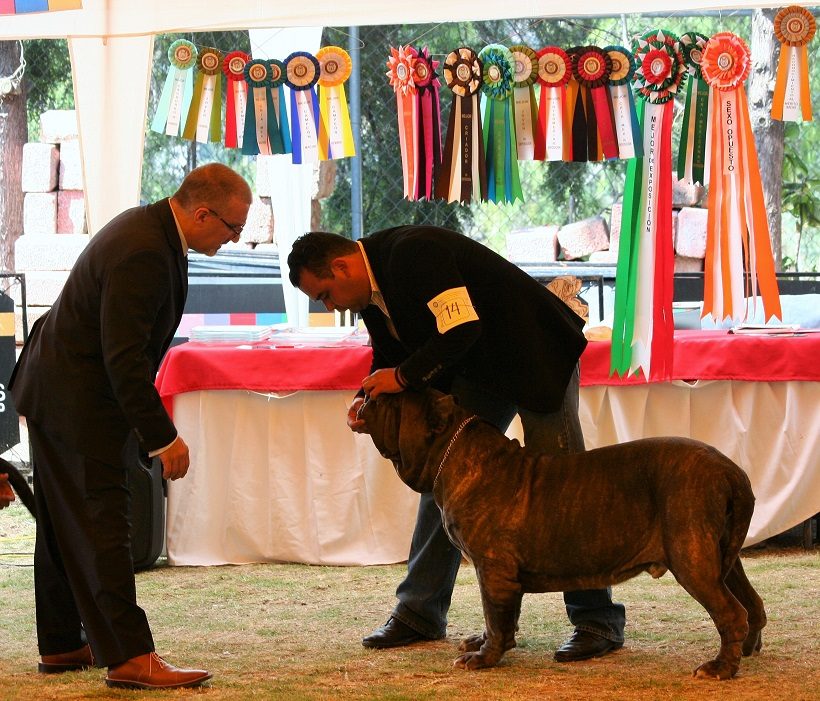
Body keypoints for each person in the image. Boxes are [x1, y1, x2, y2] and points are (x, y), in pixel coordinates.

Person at [287, 226, 626, 662]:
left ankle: (596, 619)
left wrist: (405, 378)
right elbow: (389, 354)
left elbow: (461, 328)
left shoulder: (413, 254)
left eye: (326, 294)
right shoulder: (368, 292)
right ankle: (419, 612)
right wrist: (367, 396)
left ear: (341, 266)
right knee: (446, 476)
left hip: (536, 357)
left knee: (563, 492)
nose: (330, 306)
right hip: (483, 370)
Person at [9, 163, 252, 689]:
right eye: (233, 228)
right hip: (77, 399)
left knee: (60, 526)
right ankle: (128, 656)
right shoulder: (145, 250)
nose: (235, 240)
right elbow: (124, 358)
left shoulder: (151, 230)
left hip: (57, 389)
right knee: (103, 525)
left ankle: (62, 644)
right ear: (203, 213)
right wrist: (161, 435)